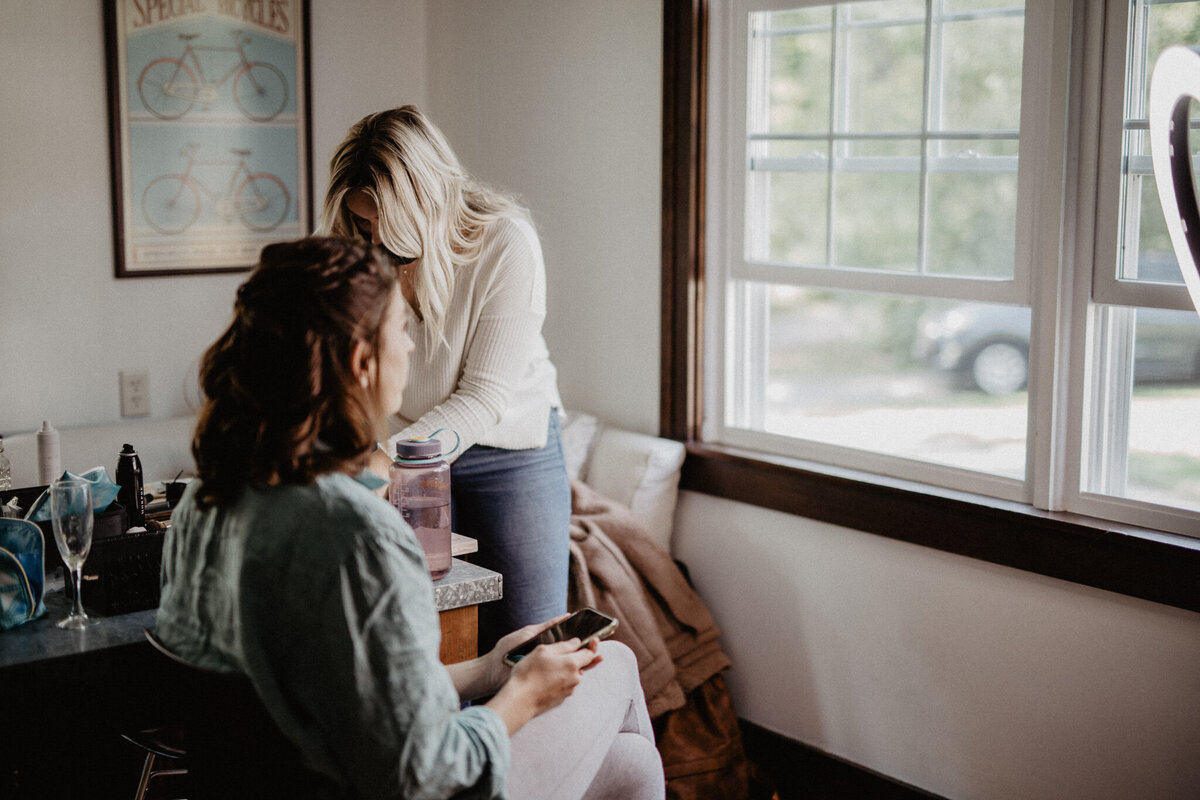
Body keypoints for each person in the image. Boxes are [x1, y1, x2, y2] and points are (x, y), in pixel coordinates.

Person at [157, 238, 664, 799]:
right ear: (362, 361)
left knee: (631, 763)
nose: (411, 346)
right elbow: (419, 774)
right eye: (402, 329)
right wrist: (521, 698)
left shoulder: (205, 509)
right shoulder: (360, 535)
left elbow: (362, 702)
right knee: (612, 662)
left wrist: (493, 667)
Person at [319, 106, 569, 646]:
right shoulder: (361, 249)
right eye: (362, 224)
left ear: (427, 204)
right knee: (425, 631)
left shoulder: (506, 244)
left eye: (387, 227)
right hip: (407, 441)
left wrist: (389, 459)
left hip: (508, 448)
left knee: (532, 637)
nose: (373, 243)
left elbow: (482, 396)